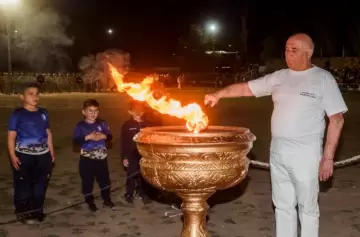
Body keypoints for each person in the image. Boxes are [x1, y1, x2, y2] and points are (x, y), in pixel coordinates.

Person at [204, 33, 347, 237]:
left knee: (307, 208)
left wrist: (328, 157)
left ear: (309, 52)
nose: (288, 53)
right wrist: (218, 95)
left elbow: (337, 119)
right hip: (278, 151)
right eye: (287, 49)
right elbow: (246, 89)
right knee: (282, 206)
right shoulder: (279, 77)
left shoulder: (323, 79)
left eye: (294, 49)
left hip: (306, 154)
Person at [8, 82, 55, 223]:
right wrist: (12, 155)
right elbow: (11, 136)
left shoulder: (43, 113)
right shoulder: (17, 115)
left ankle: (37, 210)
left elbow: (48, 133)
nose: (35, 97)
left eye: (37, 94)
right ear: (22, 97)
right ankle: (23, 212)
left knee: (40, 185)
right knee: (24, 185)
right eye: (31, 94)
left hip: (43, 155)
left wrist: (51, 152)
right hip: (24, 155)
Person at [73, 99, 115, 212]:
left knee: (105, 180)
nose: (93, 113)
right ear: (84, 112)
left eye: (96, 111)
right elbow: (76, 141)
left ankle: (106, 199)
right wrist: (88, 137)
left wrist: (104, 137)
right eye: (90, 111)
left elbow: (110, 136)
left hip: (101, 158)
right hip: (87, 159)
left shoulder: (102, 123)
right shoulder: (80, 126)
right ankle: (89, 201)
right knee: (87, 181)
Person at [120, 100, 152, 204]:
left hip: (144, 154)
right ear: (130, 111)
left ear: (144, 111)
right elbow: (123, 142)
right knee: (131, 174)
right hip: (131, 154)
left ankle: (143, 193)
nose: (138, 112)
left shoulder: (148, 124)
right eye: (135, 110)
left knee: (144, 175)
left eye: (140, 110)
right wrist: (124, 157)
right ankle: (129, 194)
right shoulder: (126, 125)